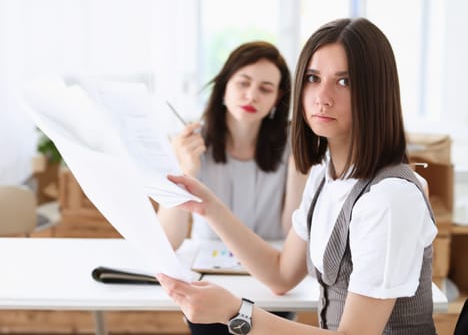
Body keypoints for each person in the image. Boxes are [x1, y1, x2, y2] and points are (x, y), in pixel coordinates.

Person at [157, 17, 438, 335]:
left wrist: (238, 313)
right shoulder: (323, 176)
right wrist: (208, 206)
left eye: (344, 82)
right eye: (313, 78)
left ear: (376, 92)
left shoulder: (389, 199)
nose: (322, 96)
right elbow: (280, 275)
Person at [158, 41, 308, 334]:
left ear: (278, 99)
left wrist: (299, 169)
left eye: (265, 88)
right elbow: (168, 240)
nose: (252, 94)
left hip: (270, 280)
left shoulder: (293, 147)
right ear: (224, 86)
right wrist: (185, 170)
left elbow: (292, 232)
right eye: (243, 82)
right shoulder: (190, 144)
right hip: (210, 284)